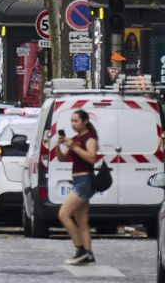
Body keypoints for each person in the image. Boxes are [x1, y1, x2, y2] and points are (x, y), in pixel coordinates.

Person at [56, 110, 99, 265]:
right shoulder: (75, 139)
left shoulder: (89, 138)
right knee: (81, 221)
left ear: (85, 121)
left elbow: (92, 157)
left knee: (63, 214)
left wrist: (74, 146)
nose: (73, 124)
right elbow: (62, 158)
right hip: (78, 180)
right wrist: (58, 145)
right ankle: (88, 253)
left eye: (76, 121)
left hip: (84, 181)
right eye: (72, 121)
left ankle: (79, 248)